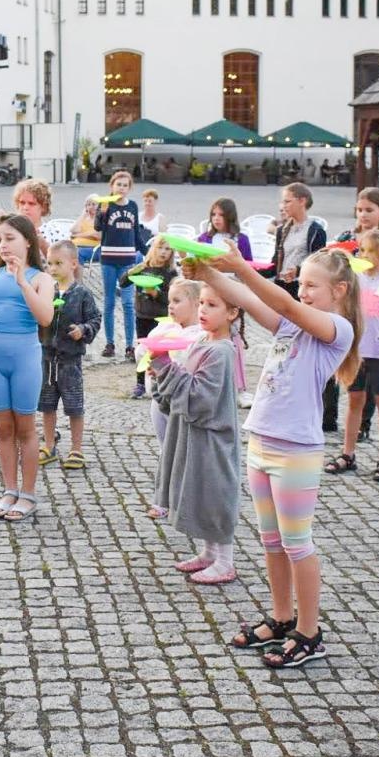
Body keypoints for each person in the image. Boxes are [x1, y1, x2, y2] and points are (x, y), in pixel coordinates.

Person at [203, 247, 358, 668]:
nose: (303, 292)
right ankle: (282, 617)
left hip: (296, 452)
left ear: (339, 290)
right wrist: (207, 273)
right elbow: (253, 302)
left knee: (297, 545)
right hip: (263, 444)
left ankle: (310, 632)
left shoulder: (336, 329)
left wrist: (240, 267)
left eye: (313, 285)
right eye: (302, 284)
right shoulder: (291, 326)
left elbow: (280, 300)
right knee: (271, 542)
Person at [149, 275, 245, 586]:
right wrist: (162, 374)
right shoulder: (202, 342)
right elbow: (180, 388)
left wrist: (167, 369)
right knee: (200, 491)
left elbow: (200, 398)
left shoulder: (221, 352)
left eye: (212, 305)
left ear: (232, 313)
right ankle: (208, 553)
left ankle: (226, 561)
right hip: (192, 434)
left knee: (215, 494)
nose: (203, 310)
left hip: (212, 437)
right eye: (201, 303)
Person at [0, 215, 55, 522]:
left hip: (25, 359)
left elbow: (45, 318)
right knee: (3, 428)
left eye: (10, 238)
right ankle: (9, 489)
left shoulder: (42, 280)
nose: (3, 245)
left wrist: (21, 281)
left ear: (28, 241)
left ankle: (28, 494)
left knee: (26, 429)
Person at [325, 231, 379, 482]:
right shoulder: (355, 280)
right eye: (361, 250)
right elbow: (340, 306)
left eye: (369, 250)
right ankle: (348, 453)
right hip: (357, 350)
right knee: (354, 401)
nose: (363, 255)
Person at [38, 240, 101, 470]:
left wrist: (83, 330)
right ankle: (49, 444)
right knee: (46, 404)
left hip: (70, 360)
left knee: (74, 405)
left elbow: (95, 319)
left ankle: (76, 449)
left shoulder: (82, 293)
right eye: (49, 264)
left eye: (58, 263)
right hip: (46, 357)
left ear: (73, 264)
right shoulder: (46, 291)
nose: (52, 268)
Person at [147, 280, 203, 521]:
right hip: (159, 400)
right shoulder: (165, 328)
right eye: (169, 301)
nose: (170, 306)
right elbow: (145, 350)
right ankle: (164, 499)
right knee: (165, 450)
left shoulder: (200, 335)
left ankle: (189, 498)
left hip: (182, 402)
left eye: (177, 301)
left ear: (195, 304)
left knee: (186, 453)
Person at [122, 237, 178, 398]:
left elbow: (172, 297)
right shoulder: (144, 268)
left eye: (168, 249)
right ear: (154, 249)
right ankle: (140, 384)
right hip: (142, 316)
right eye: (161, 248)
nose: (163, 252)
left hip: (161, 318)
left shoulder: (170, 273)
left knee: (160, 352)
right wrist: (131, 272)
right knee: (141, 350)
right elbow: (123, 282)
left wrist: (157, 294)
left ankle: (161, 382)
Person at [93, 169, 140, 361]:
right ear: (111, 186)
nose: (121, 188)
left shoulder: (133, 207)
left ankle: (130, 345)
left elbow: (136, 233)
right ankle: (110, 343)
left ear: (129, 188)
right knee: (110, 302)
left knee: (128, 303)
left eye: (125, 185)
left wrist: (147, 253)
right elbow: (98, 228)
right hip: (109, 259)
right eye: (118, 184)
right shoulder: (106, 205)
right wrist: (102, 214)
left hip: (128, 259)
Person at [268, 183, 326, 298]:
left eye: (287, 201)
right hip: (281, 286)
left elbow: (319, 264)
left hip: (302, 288)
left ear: (302, 201)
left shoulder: (315, 231)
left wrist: (298, 270)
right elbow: (275, 263)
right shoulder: (281, 230)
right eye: (282, 202)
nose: (283, 206)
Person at [70, 195, 101, 269]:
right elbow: (73, 230)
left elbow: (97, 235)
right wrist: (83, 215)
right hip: (76, 246)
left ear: (99, 206)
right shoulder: (84, 219)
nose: (91, 207)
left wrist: (78, 235)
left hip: (95, 249)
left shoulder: (100, 219)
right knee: (63, 252)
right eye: (88, 205)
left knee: (77, 254)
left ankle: (78, 279)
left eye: (94, 204)